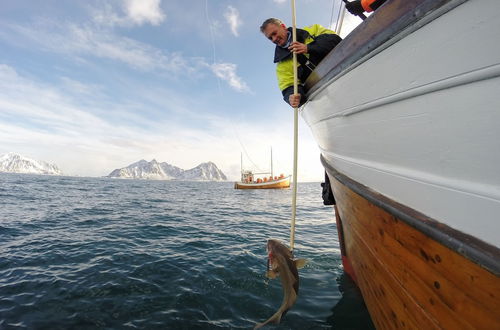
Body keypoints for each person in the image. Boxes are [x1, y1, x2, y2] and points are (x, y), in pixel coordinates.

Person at [260, 18, 342, 108]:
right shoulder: (282, 65)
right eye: (270, 38)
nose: (274, 39)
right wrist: (292, 96)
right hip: (323, 96)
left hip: (343, 69)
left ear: (283, 26)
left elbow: (335, 40)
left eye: (274, 33)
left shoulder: (312, 30)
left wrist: (309, 48)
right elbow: (288, 86)